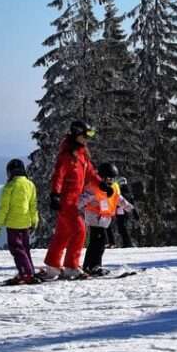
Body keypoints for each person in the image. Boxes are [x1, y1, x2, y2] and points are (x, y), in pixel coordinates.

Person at [38, 120, 104, 280]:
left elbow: (91, 174)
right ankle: (71, 267)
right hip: (66, 200)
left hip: (75, 200)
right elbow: (58, 175)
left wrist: (102, 184)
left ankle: (53, 266)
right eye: (85, 135)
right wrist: (55, 194)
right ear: (76, 134)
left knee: (63, 234)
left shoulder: (82, 155)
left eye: (89, 136)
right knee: (80, 230)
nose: (87, 139)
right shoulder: (67, 155)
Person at [0, 159, 39, 285]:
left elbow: (4, 207)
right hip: (26, 223)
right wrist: (35, 220)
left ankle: (25, 273)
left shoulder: (9, 186)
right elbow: (33, 205)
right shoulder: (30, 184)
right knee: (25, 249)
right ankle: (29, 271)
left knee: (17, 249)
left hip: (13, 224)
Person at [81, 162, 121, 276]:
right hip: (94, 218)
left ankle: (89, 265)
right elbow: (83, 199)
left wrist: (130, 208)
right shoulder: (94, 187)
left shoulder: (112, 187)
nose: (111, 181)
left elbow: (118, 199)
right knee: (98, 242)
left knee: (96, 242)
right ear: (102, 177)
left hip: (102, 219)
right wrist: (73, 207)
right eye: (109, 178)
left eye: (113, 178)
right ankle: (94, 266)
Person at [113, 179, 140, 248]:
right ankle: (126, 243)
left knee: (122, 228)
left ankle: (127, 243)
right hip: (124, 211)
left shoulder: (122, 191)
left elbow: (122, 200)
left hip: (121, 211)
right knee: (122, 228)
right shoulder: (128, 191)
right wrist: (134, 212)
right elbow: (131, 202)